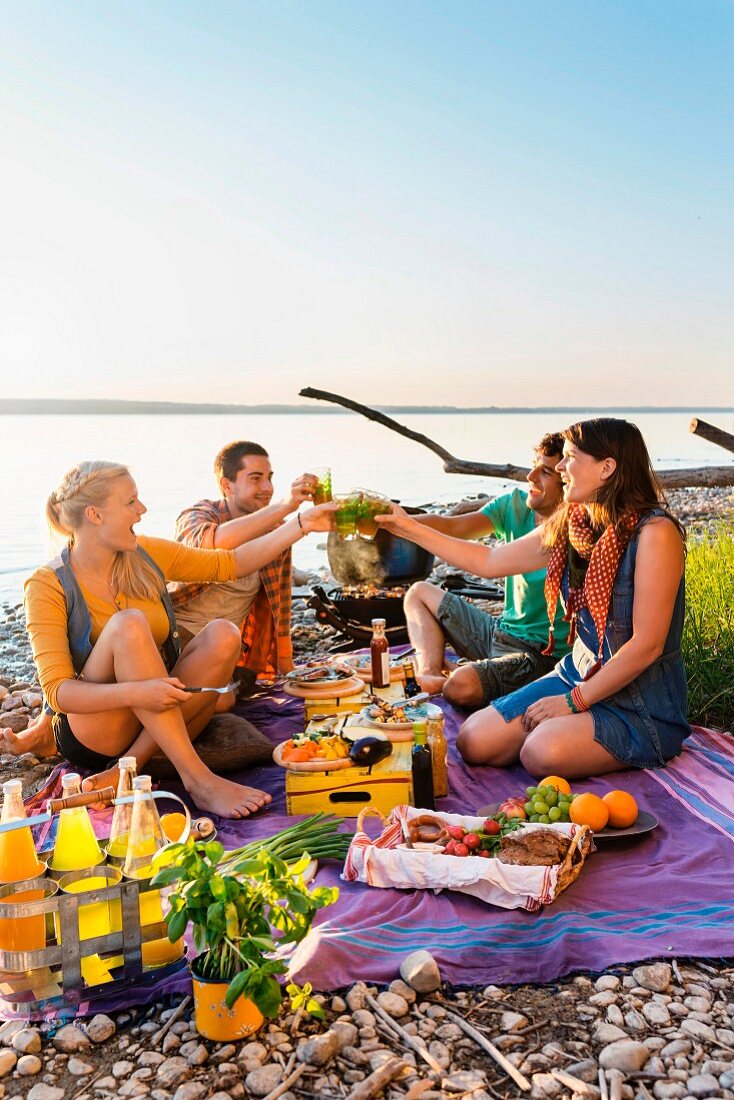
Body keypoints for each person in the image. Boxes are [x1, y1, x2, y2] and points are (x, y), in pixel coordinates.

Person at [20, 460, 337, 818]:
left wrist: (301, 524)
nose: (142, 510)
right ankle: (198, 779)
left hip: (159, 714)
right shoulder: (47, 583)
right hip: (99, 729)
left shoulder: (144, 554)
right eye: (131, 502)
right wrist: (137, 692)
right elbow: (58, 694)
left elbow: (229, 563)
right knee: (129, 625)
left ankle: (128, 767)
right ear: (95, 514)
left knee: (223, 634)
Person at [377, 419, 690, 779]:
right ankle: (570, 728)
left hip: (638, 702)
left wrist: (574, 703)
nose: (559, 468)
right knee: (474, 741)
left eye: (569, 457)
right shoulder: (573, 524)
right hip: (577, 673)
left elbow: (647, 645)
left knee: (540, 751)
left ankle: (584, 731)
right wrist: (408, 528)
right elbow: (488, 561)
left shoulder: (655, 533)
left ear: (607, 467)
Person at [404, 434, 569, 707]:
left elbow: (488, 562)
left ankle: (465, 675)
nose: (531, 476)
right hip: (498, 632)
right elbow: (452, 526)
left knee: (461, 686)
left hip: (540, 654)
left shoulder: (575, 528)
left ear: (568, 481)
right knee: (418, 593)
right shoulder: (514, 505)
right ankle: (430, 672)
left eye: (546, 472)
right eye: (533, 465)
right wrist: (390, 521)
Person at [169, 441, 316, 706]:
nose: (267, 488)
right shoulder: (200, 513)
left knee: (234, 692)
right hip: (174, 640)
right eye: (256, 479)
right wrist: (285, 507)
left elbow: (280, 603)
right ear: (227, 485)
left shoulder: (276, 529)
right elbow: (206, 544)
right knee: (221, 701)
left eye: (269, 478)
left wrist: (289, 669)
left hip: (226, 649)